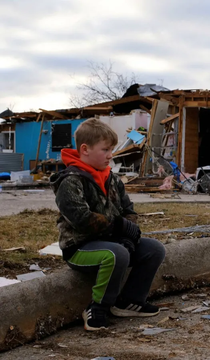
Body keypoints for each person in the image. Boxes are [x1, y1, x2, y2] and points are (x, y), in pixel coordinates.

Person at [51, 118, 166, 331]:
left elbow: (129, 211)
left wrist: (128, 235)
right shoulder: (70, 181)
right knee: (116, 254)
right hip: (79, 248)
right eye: (105, 150)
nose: (110, 155)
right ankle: (98, 307)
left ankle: (130, 302)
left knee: (154, 249)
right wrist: (118, 228)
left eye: (111, 149)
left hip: (112, 242)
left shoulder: (111, 179)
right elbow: (82, 220)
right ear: (85, 149)